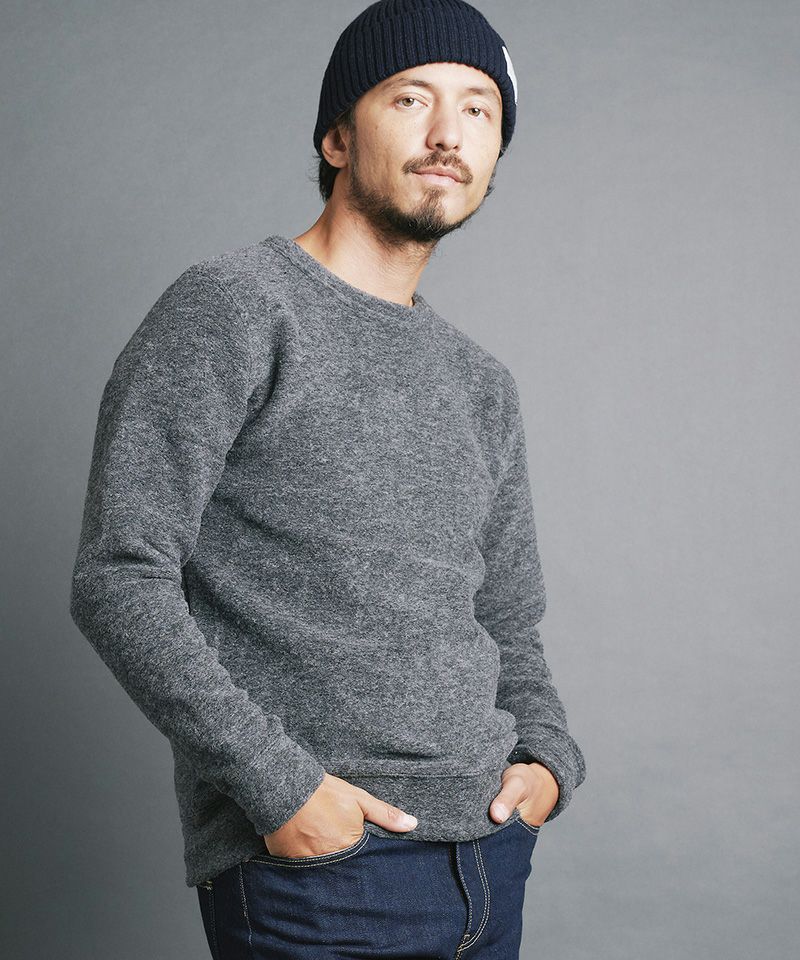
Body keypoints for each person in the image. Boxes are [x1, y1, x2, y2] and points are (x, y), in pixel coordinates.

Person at [69, 0, 586, 955]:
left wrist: (549, 760)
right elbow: (119, 574)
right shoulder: (234, 307)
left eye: (479, 110)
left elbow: (509, 618)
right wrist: (280, 788)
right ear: (338, 137)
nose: (448, 133)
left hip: (490, 859)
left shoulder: (481, 383)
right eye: (412, 98)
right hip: (323, 871)